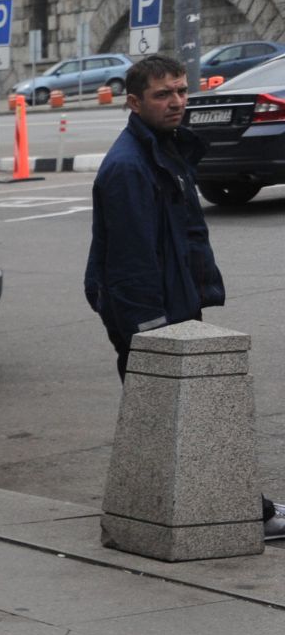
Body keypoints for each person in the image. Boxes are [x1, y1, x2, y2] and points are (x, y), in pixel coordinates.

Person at [82, 53, 274, 536]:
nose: (176, 102)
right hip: (152, 318)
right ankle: (246, 510)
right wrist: (149, 334)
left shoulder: (166, 151)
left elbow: (185, 236)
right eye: (162, 94)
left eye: (182, 91)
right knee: (190, 422)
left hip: (178, 306)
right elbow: (129, 264)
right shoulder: (129, 167)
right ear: (134, 102)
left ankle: (197, 508)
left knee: (177, 423)